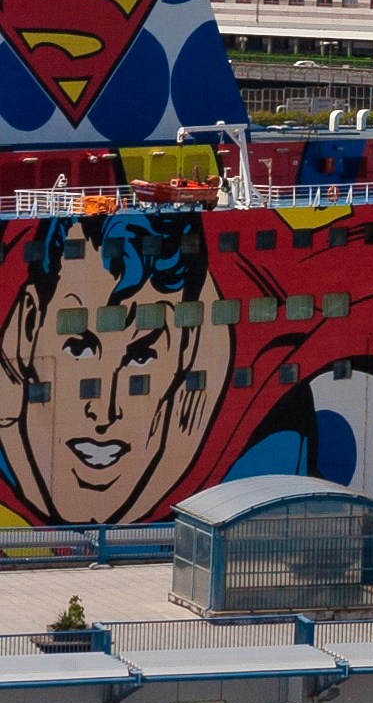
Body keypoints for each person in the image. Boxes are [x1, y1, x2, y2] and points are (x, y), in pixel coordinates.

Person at [0, 207, 224, 526]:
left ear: (186, 349)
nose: (104, 411)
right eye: (79, 347)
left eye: (142, 355)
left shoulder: (281, 446)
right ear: (28, 326)